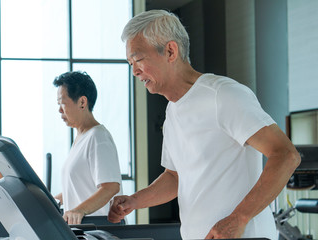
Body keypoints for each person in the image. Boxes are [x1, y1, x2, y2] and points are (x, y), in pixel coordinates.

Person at [107, 9, 301, 239]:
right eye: (130, 63)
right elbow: (175, 176)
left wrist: (239, 218)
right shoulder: (173, 110)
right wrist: (134, 201)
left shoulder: (223, 95)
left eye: (138, 60)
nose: (134, 71)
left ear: (170, 51)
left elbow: (286, 155)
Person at [53, 71, 123, 225]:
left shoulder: (98, 137)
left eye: (62, 103)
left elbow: (110, 187)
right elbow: (80, 187)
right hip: (81, 228)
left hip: (99, 228)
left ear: (82, 102)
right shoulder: (81, 138)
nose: (59, 110)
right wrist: (55, 200)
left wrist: (79, 210)